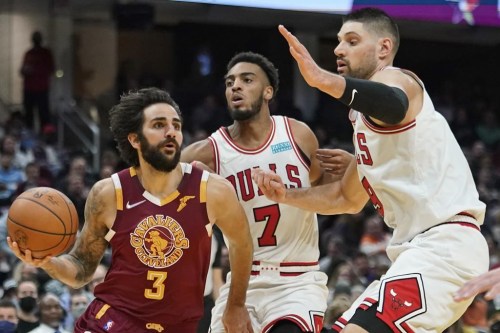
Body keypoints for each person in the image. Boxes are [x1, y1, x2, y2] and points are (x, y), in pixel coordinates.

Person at [252, 7, 488, 333]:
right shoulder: (363, 121)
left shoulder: (397, 79)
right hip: (417, 253)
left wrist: (325, 80)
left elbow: (394, 103)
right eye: (338, 42)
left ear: (383, 48)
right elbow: (344, 199)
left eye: (351, 41)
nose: (338, 49)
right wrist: (286, 195)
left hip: (446, 246)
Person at [8, 87, 253, 333]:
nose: (171, 132)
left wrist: (236, 304)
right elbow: (81, 269)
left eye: (176, 126)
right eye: (158, 125)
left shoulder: (212, 191)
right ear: (135, 139)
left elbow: (242, 245)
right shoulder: (108, 194)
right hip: (113, 320)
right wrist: (46, 261)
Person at [181, 51, 353, 333]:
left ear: (268, 91)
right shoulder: (205, 155)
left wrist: (351, 172)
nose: (235, 86)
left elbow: (329, 198)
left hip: (296, 281)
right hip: (240, 284)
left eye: (247, 80)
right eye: (229, 82)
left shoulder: (297, 135)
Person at [20, 31, 55, 132]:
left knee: (44, 114)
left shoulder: (46, 53)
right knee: (28, 115)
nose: (36, 40)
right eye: (34, 38)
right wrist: (25, 70)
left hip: (41, 88)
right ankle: (29, 135)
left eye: (37, 38)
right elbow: (22, 70)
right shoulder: (28, 53)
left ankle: (46, 137)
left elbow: (51, 69)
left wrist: (34, 70)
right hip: (29, 88)